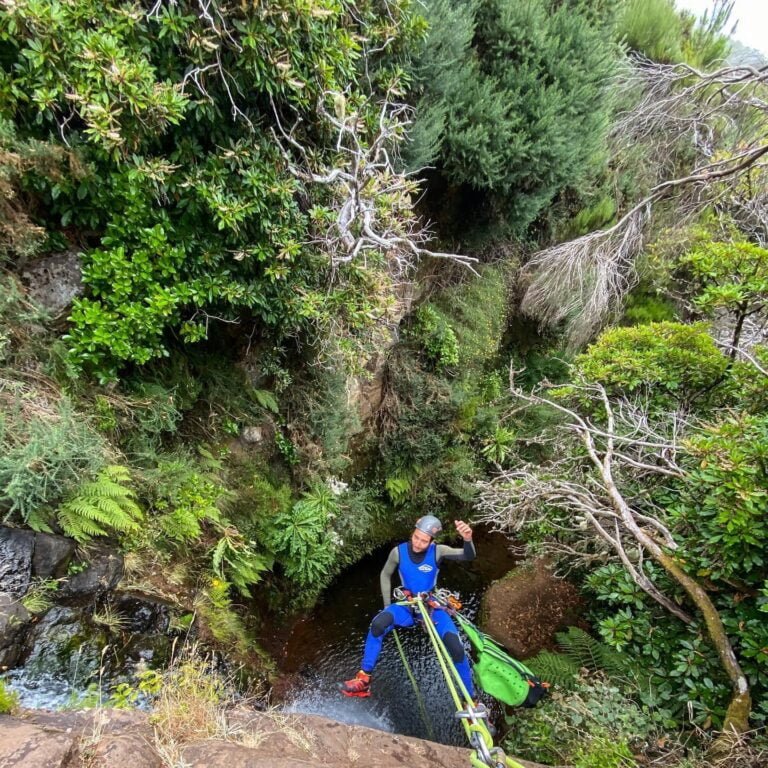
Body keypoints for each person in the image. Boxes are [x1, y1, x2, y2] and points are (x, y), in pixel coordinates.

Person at [340, 515, 476, 698]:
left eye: (424, 540)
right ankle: (363, 679)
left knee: (456, 648)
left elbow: (468, 555)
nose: (418, 544)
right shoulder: (398, 552)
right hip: (408, 605)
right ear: (412, 533)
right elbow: (385, 574)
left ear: (431, 541)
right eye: (416, 537)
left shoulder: (438, 552)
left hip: (431, 606)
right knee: (378, 624)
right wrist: (387, 606)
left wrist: (467, 539)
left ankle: (471, 701)